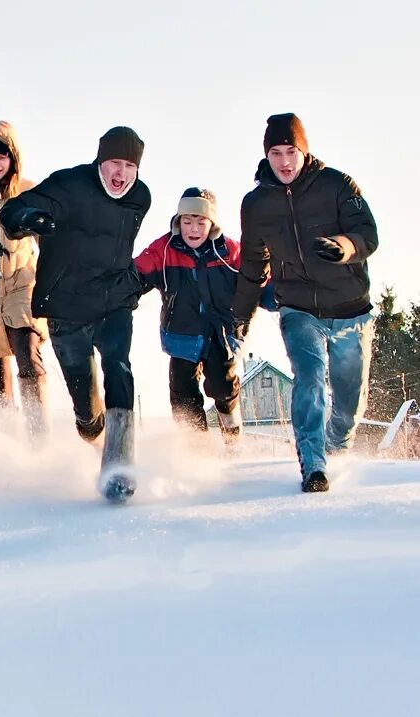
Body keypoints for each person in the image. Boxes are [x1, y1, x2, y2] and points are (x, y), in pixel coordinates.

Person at [0, 126, 151, 502]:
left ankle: (120, 465)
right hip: (66, 306)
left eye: (129, 166)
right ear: (100, 161)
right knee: (85, 407)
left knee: (118, 364)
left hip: (114, 300)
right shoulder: (67, 185)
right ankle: (93, 431)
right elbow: (13, 211)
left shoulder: (140, 197)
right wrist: (31, 219)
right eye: (114, 163)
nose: (121, 173)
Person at [231, 114, 379, 493]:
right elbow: (252, 265)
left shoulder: (336, 185)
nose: (284, 161)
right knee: (309, 378)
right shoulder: (257, 203)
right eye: (276, 153)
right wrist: (240, 317)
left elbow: (368, 235)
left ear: (304, 150)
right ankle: (313, 465)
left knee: (348, 402)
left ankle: (336, 445)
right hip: (297, 308)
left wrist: (343, 247)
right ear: (267, 155)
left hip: (350, 308)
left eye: (291, 151)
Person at [135, 188, 242, 449]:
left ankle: (232, 430)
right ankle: (198, 448)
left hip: (220, 333)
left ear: (212, 223)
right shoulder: (164, 250)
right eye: (187, 221)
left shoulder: (228, 251)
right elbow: (136, 274)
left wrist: (275, 297)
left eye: (200, 222)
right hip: (181, 332)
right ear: (177, 221)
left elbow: (258, 280)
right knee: (182, 392)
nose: (193, 228)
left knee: (221, 386)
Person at [0, 120, 49, 440]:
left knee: (28, 354)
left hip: (23, 284)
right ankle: (8, 441)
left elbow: (48, 237)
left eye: (2, 158)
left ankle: (38, 435)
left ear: (13, 159)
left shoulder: (28, 192)